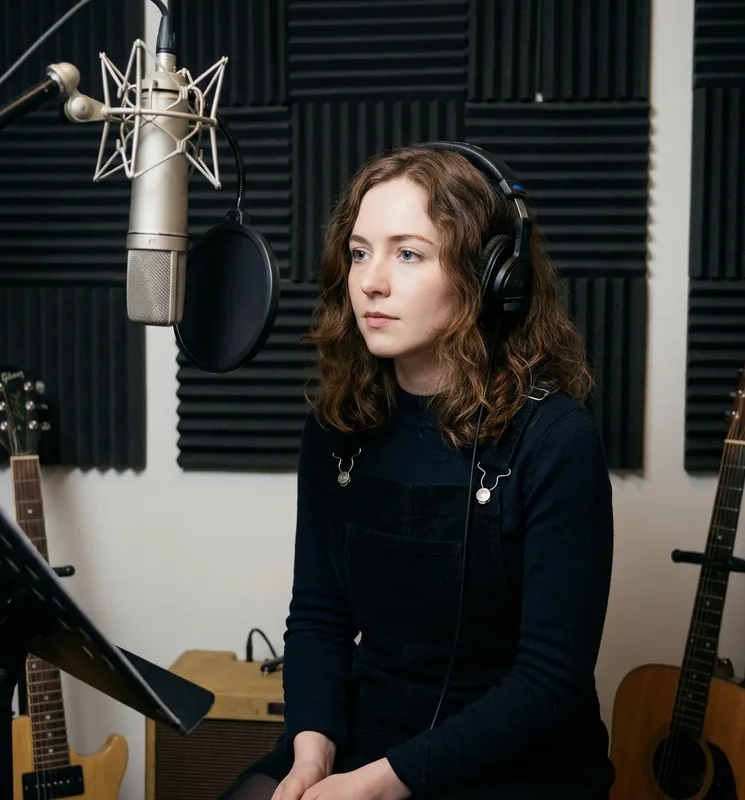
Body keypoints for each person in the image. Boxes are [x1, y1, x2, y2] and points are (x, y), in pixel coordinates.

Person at [218, 143, 615, 800]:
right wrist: (312, 753)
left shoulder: (556, 440)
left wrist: (378, 786)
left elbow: (550, 679)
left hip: (517, 757)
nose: (371, 281)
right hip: (366, 734)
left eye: (408, 254)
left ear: (491, 277)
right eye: (359, 252)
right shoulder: (333, 428)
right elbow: (318, 617)